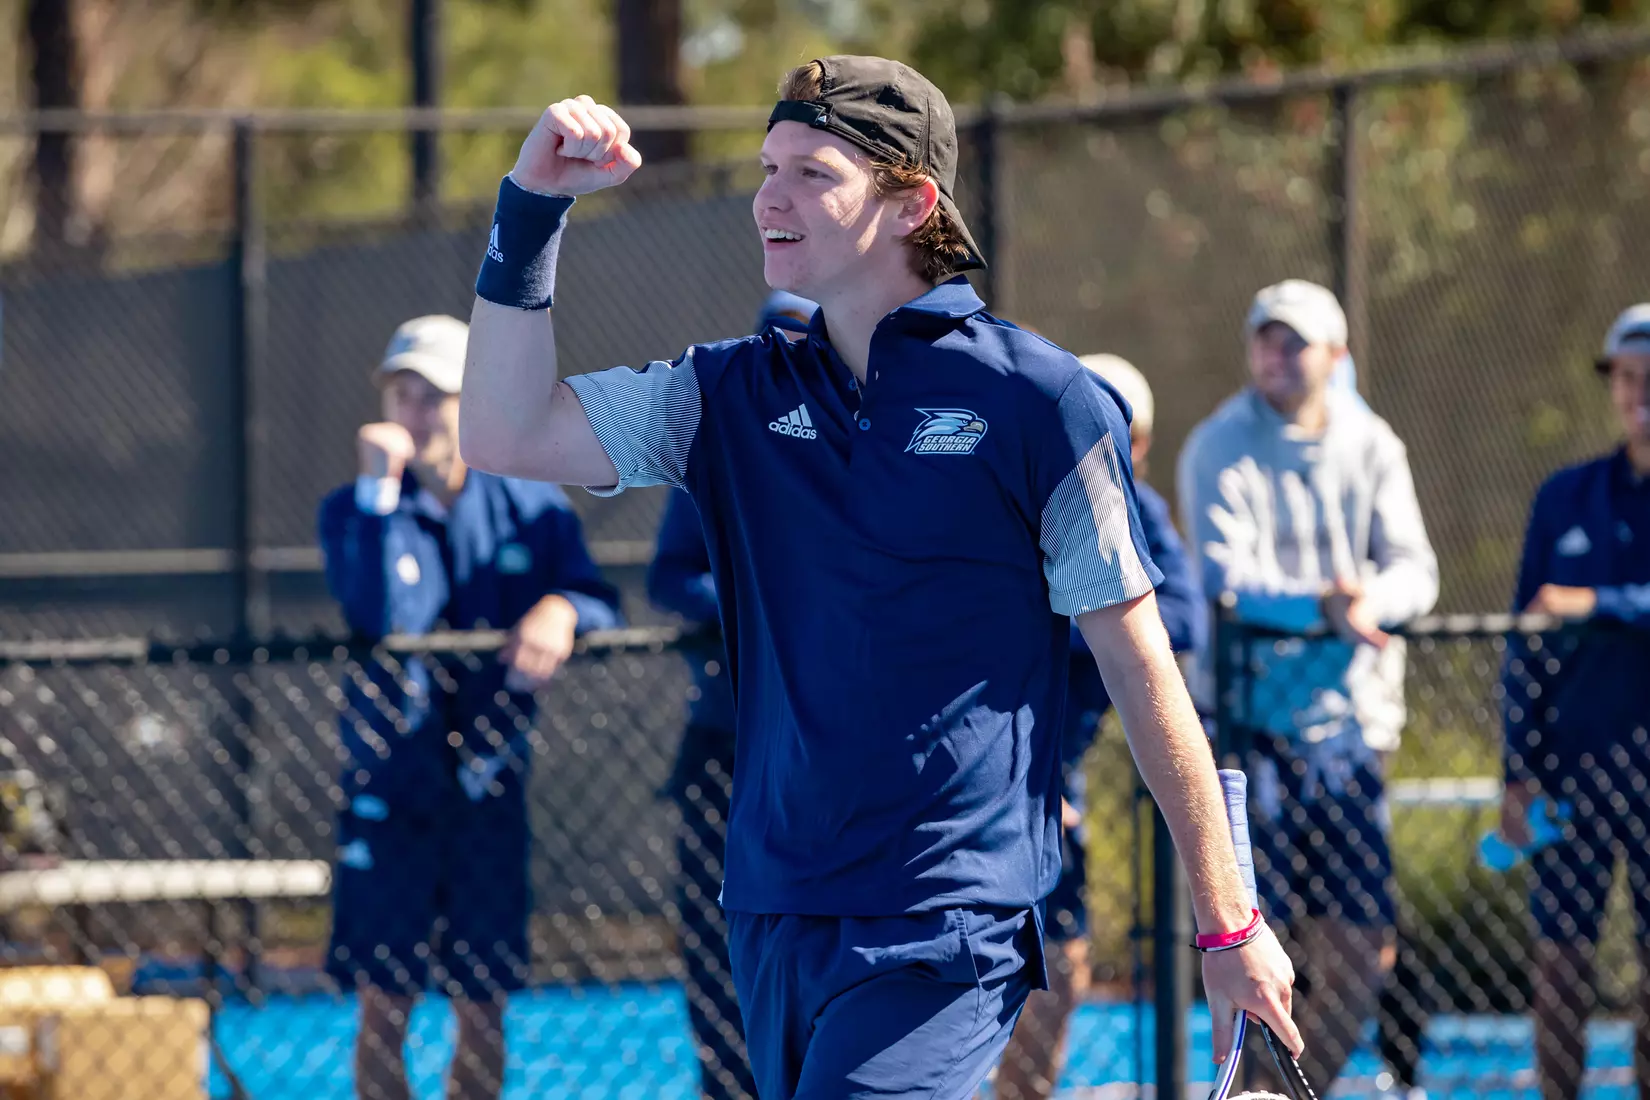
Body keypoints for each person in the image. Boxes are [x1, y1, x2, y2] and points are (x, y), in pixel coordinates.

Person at [458, 56, 1299, 1100]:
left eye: (814, 171)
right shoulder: (727, 393)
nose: (771, 195)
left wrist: (1230, 924)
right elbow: (500, 429)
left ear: (913, 202)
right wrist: (533, 209)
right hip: (773, 903)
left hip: (950, 912)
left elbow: (1143, 669)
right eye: (768, 166)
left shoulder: (1043, 400)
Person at [317, 314, 623, 1100]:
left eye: (435, 396)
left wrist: (562, 609)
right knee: (384, 1007)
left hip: (488, 791)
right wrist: (380, 495)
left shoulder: (531, 504)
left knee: (483, 1007)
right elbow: (378, 614)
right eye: (401, 394)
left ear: (471, 402)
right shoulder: (355, 510)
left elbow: (595, 594)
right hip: (389, 799)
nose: (414, 414)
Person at [1178, 279, 1439, 1091]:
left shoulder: (1375, 445)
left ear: (1337, 355)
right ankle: (1253, 1088)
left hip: (1348, 737)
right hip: (1247, 738)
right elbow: (1224, 581)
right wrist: (1324, 607)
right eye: (1265, 337)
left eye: (1295, 341)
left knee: (1363, 946)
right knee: (1259, 937)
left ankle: (1293, 1092)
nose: (1277, 354)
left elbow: (1414, 574)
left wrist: (1366, 602)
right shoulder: (1217, 443)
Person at [992, 353, 1205, 1100]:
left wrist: (1090, 621)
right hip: (995, 773)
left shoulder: (1136, 511)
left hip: (1055, 783)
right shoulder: (1007, 491)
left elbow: (1182, 618)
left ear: (1137, 444)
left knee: (1061, 955)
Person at [649, 289, 817, 1100]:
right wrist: (761, 599)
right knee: (719, 941)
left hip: (831, 753)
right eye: (773, 337)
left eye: (804, 335)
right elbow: (669, 576)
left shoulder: (870, 451)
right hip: (727, 745)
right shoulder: (716, 448)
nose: (787, 352)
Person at [1499, 303, 1650, 1100]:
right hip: (1570, 776)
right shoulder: (1564, 497)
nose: (1638, 393)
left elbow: (1573, 608)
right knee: (1559, 960)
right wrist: (1516, 769)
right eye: (1627, 378)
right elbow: (1523, 640)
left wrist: (1598, 604)